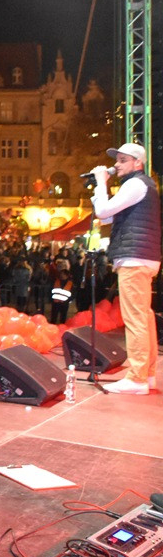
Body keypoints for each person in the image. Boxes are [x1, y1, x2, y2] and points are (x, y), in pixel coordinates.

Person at [91, 142, 161, 394]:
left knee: (135, 318)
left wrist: (101, 183)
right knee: (143, 316)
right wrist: (101, 191)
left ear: (137, 163)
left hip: (134, 257)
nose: (116, 165)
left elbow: (103, 211)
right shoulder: (142, 185)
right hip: (143, 256)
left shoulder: (135, 184)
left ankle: (137, 378)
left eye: (122, 160)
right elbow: (108, 216)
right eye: (117, 160)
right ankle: (147, 374)